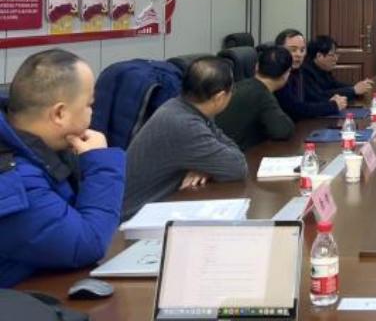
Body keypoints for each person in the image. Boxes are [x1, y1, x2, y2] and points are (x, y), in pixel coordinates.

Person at [0, 50, 124, 287]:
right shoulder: (14, 180)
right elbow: (88, 243)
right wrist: (101, 165)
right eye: (89, 105)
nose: (92, 113)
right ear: (59, 113)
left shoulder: (39, 148)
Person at [123, 57, 247, 219]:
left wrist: (206, 167)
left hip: (160, 206)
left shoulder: (182, 107)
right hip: (134, 220)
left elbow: (226, 149)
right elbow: (238, 167)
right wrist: (211, 166)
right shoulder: (185, 124)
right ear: (219, 97)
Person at [216, 45, 296, 151]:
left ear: (257, 66)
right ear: (286, 74)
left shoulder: (240, 85)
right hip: (234, 154)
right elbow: (283, 131)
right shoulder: (262, 94)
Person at [274, 29, 347, 119]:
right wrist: (332, 106)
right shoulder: (277, 74)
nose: (298, 54)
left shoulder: (298, 71)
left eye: (302, 50)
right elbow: (294, 109)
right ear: (278, 51)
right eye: (293, 50)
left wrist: (331, 101)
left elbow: (312, 97)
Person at [302, 35, 374, 101]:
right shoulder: (306, 72)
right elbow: (320, 96)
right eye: (332, 55)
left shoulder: (323, 68)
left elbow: (335, 85)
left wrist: (358, 87)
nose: (336, 59)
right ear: (319, 56)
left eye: (336, 54)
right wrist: (353, 90)